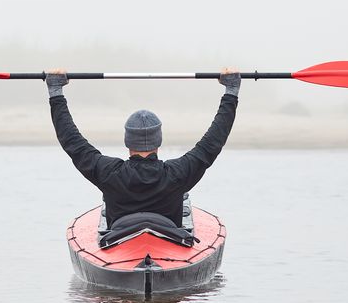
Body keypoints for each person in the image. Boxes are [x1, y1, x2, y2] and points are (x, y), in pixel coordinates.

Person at [45, 68, 241, 228]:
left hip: (119, 242)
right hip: (169, 242)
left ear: (127, 141)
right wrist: (231, 91)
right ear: (159, 140)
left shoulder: (109, 173)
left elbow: (71, 141)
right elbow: (213, 141)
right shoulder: (178, 174)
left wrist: (55, 91)